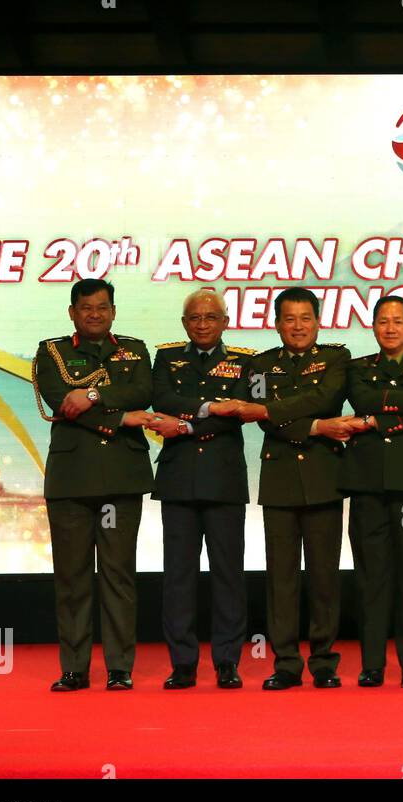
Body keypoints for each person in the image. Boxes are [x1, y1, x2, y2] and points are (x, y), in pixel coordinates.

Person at [210, 287, 350, 690]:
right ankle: (286, 662)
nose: (298, 326)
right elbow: (263, 420)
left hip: (325, 478)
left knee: (325, 577)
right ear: (276, 324)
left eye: (306, 318)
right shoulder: (259, 366)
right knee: (281, 578)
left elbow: (325, 396)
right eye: (289, 318)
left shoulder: (336, 358)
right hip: (280, 479)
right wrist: (313, 424)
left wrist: (273, 408)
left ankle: (323, 662)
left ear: (318, 322)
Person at [34, 278, 155, 692]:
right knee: (73, 576)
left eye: (102, 307)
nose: (94, 314)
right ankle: (75, 668)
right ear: (72, 312)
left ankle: (120, 668)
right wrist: (118, 415)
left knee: (118, 575)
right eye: (86, 308)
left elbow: (142, 390)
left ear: (113, 311)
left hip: (122, 477)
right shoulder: (51, 352)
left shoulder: (134, 350)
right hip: (72, 481)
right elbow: (59, 402)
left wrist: (91, 395)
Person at [332, 295, 403, 688]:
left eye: (398, 321)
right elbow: (362, 400)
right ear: (374, 327)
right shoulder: (358, 369)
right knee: (371, 576)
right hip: (367, 484)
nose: (391, 328)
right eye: (383, 321)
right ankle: (373, 663)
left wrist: (373, 421)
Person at [148, 289, 254, 690]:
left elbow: (241, 411)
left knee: (229, 575)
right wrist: (211, 407)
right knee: (178, 576)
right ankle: (183, 663)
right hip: (178, 479)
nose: (203, 324)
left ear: (226, 321)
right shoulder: (167, 358)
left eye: (212, 317)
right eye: (195, 318)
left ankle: (227, 662)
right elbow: (164, 398)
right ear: (184, 323)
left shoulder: (244, 361)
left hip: (224, 480)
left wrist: (188, 424)